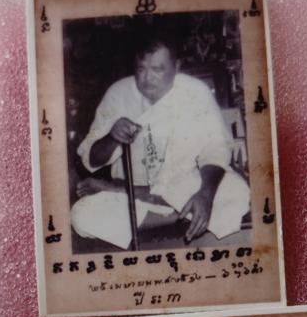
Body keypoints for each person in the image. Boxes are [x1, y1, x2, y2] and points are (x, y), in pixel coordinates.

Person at [70, 30, 250, 249]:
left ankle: (149, 210)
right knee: (81, 214)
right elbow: (92, 160)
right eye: (141, 69)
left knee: (235, 192)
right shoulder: (118, 94)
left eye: (157, 69)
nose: (147, 78)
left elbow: (216, 149)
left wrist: (205, 195)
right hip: (133, 194)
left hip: (185, 185)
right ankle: (179, 218)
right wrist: (112, 137)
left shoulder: (195, 91)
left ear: (177, 66)